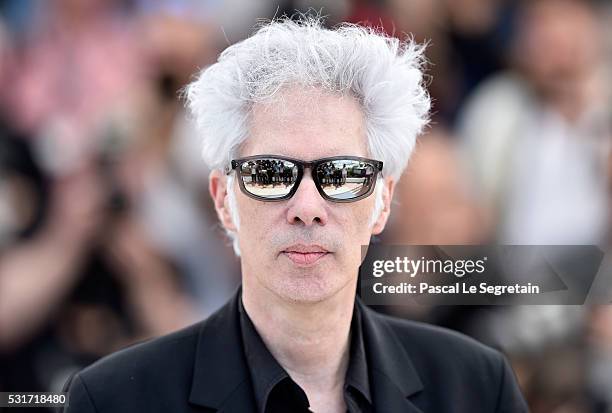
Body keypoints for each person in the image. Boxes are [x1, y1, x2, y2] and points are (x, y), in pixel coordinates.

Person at [61, 16, 528, 412]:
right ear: (224, 200)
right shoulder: (111, 400)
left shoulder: (478, 387)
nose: (307, 208)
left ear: (383, 202)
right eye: (270, 173)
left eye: (342, 174)